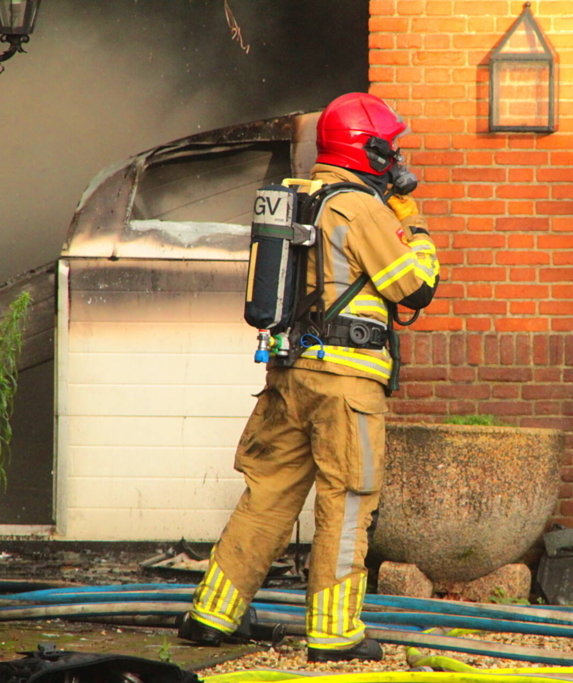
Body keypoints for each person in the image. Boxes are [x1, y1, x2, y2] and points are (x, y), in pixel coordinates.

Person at [178, 92, 440, 663]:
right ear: (368, 149)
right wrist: (413, 223)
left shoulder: (294, 197)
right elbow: (415, 288)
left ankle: (212, 615)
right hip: (345, 383)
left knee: (267, 494)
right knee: (347, 500)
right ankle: (334, 632)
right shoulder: (363, 210)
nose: (396, 156)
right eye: (389, 147)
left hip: (286, 373)